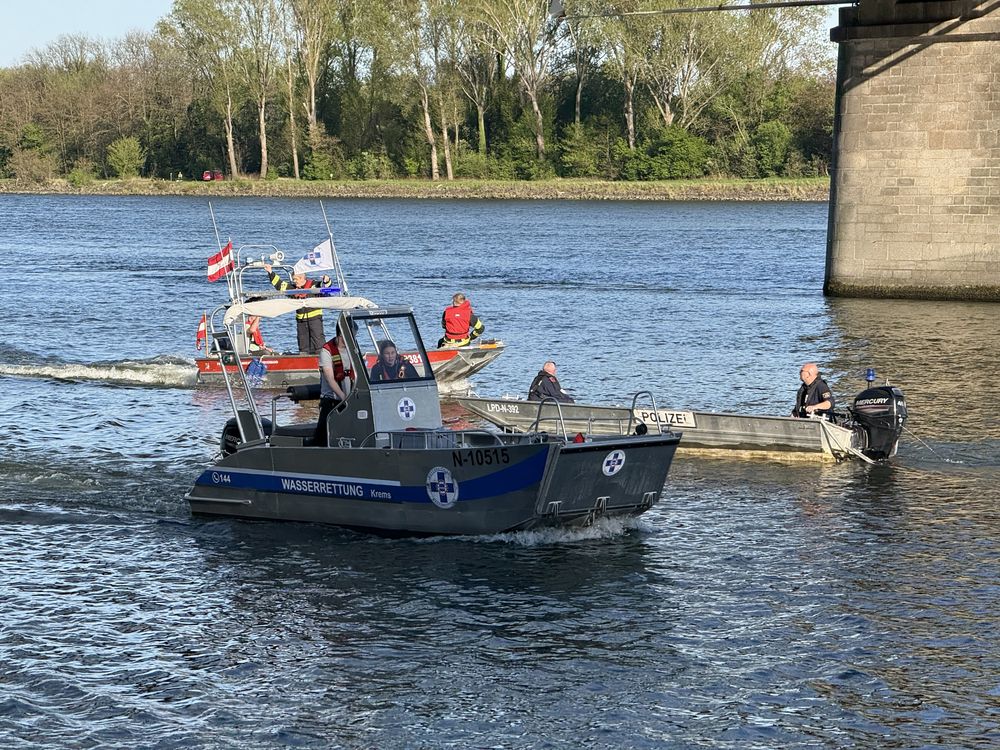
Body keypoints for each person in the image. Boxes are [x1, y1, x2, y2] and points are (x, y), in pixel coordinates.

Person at [264, 263, 332, 354]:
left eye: (296, 279)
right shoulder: (293, 289)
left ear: (302, 278)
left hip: (315, 320)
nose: (294, 282)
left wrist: (326, 280)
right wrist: (270, 272)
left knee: (318, 342)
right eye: (294, 279)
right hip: (301, 322)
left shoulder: (314, 285)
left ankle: (322, 357)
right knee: (303, 344)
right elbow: (279, 285)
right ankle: (304, 358)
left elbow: (325, 287)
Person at [311, 327, 355, 447]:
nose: (353, 338)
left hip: (350, 398)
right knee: (323, 437)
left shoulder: (352, 349)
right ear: (342, 334)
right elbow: (330, 378)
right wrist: (343, 397)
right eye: (351, 335)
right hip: (332, 399)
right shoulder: (327, 351)